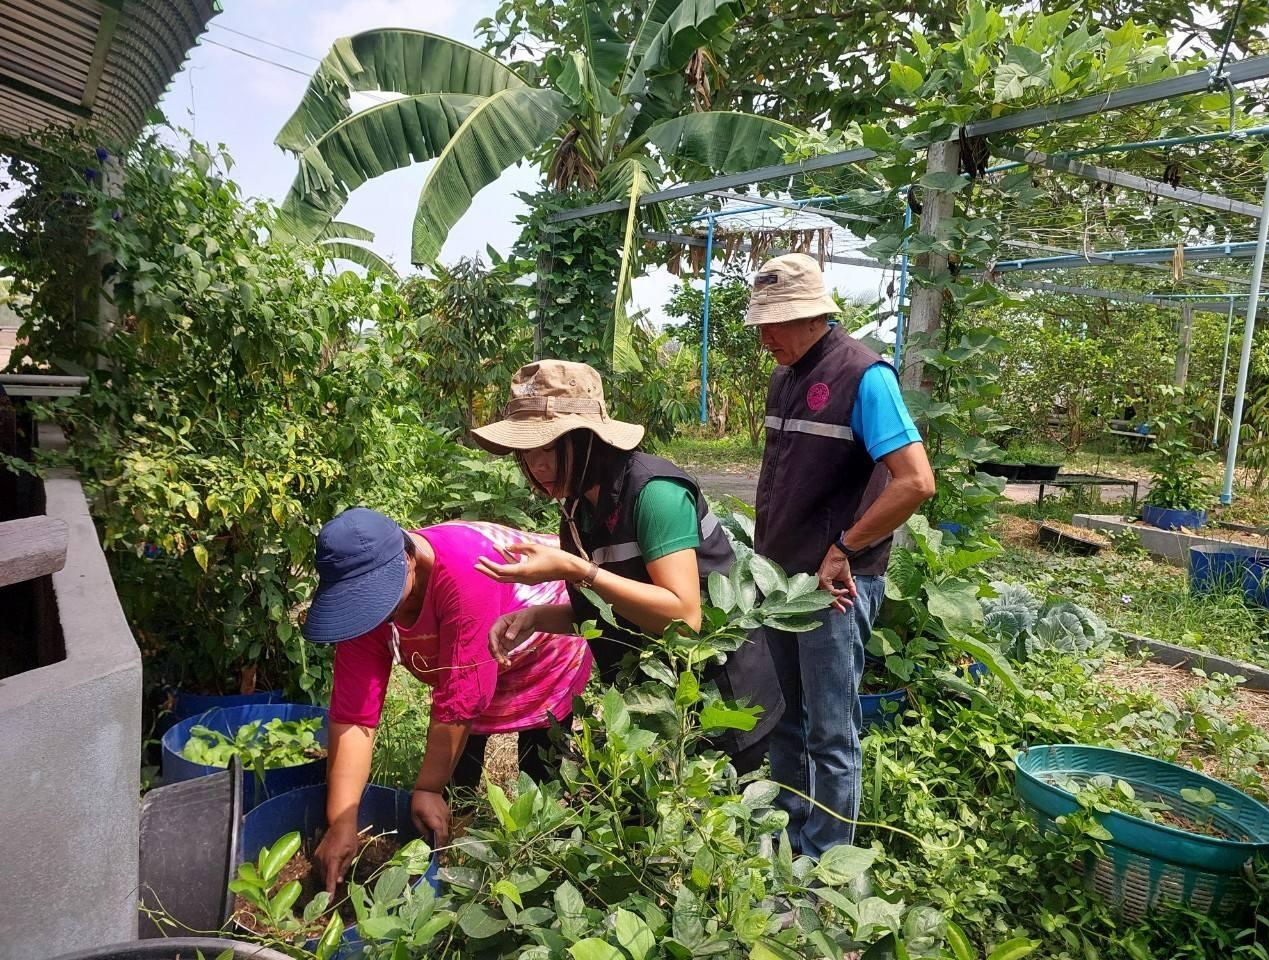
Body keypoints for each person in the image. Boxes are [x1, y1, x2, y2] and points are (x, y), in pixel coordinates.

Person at [471, 359, 782, 773]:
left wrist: (577, 570)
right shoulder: (579, 505)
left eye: (548, 447)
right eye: (525, 452)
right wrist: (533, 618)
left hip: (721, 705)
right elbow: (615, 607)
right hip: (659, 707)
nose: (537, 465)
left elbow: (684, 617)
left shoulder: (655, 494)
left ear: (587, 441)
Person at [745, 253, 935, 859]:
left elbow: (914, 482)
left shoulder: (865, 375)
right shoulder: (785, 375)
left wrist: (844, 549)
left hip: (834, 584)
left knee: (830, 731)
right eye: (761, 323)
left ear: (814, 316)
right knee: (784, 720)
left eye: (778, 322)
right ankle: (788, 847)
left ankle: (827, 869)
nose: (766, 335)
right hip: (779, 579)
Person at [301, 507, 592, 894]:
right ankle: (458, 850)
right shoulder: (363, 593)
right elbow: (355, 716)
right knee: (458, 774)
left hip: (543, 640)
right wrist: (342, 820)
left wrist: (427, 788)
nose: (374, 613)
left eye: (377, 600)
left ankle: (547, 868)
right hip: (476, 650)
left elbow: (461, 700)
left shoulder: (463, 571)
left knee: (539, 769)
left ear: (408, 560)